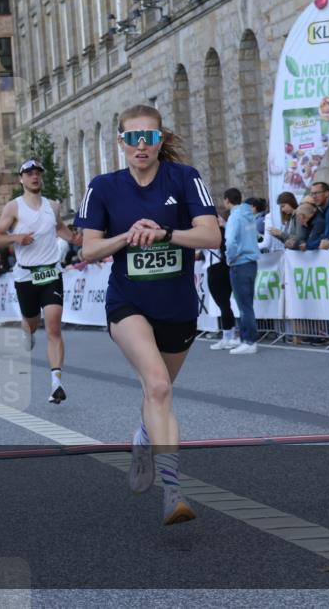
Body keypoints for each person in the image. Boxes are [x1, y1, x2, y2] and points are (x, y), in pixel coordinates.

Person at [76, 104, 219, 526]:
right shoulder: (103, 187)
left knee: (158, 393)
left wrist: (165, 233)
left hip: (177, 307)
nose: (142, 145)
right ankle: (174, 491)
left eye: (150, 137)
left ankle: (143, 438)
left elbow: (212, 235)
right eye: (133, 138)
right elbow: (88, 250)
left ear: (160, 141)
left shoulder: (185, 178)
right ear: (121, 142)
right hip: (128, 304)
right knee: (156, 385)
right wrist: (128, 236)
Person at [0, 158, 77, 403]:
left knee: (53, 326)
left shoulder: (53, 206)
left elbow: (61, 228)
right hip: (26, 275)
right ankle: (27, 331)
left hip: (51, 272)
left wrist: (77, 239)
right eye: (29, 173)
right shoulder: (13, 208)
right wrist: (17, 238)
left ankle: (56, 383)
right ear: (21, 179)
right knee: (31, 322)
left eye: (37, 173)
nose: (34, 177)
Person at [223, 187, 260, 355]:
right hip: (251, 261)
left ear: (227, 200)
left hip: (239, 262)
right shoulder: (248, 215)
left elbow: (230, 241)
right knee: (247, 303)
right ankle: (246, 337)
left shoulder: (234, 216)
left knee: (243, 305)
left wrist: (230, 258)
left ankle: (249, 340)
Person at [207, 212, 238, 350]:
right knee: (226, 304)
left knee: (223, 304)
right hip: (225, 268)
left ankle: (228, 337)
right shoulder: (224, 231)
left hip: (215, 268)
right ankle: (229, 335)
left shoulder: (211, 234)